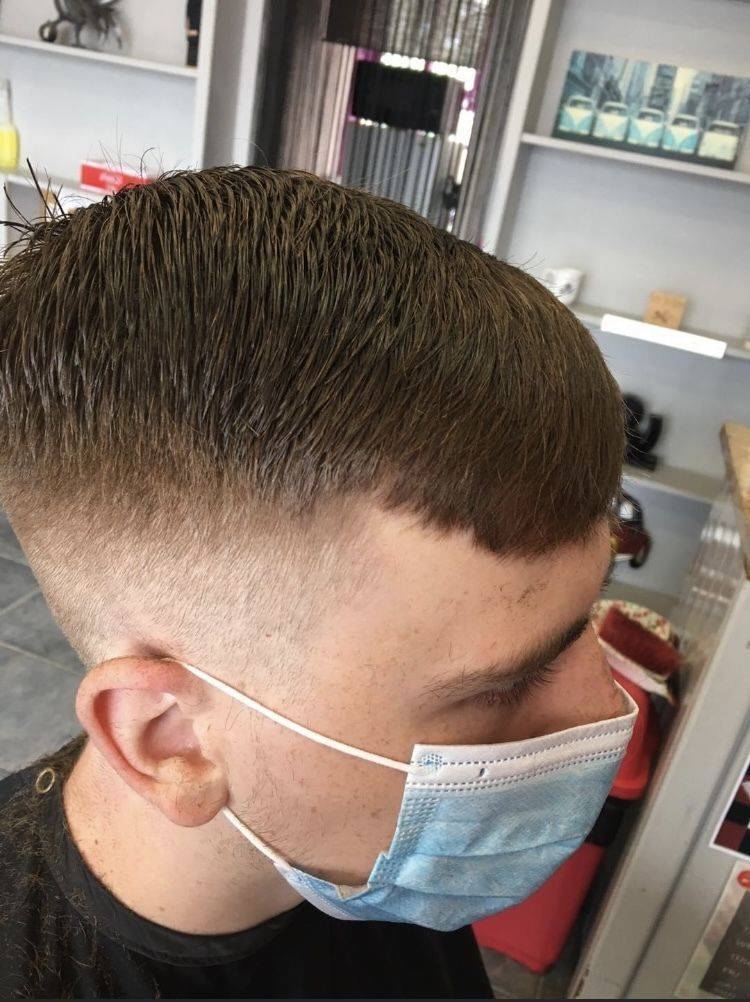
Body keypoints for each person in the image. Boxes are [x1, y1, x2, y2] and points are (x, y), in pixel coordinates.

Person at [0, 166, 634, 999]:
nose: (606, 706)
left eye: (584, 618)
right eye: (503, 687)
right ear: (172, 743)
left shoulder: (357, 862)